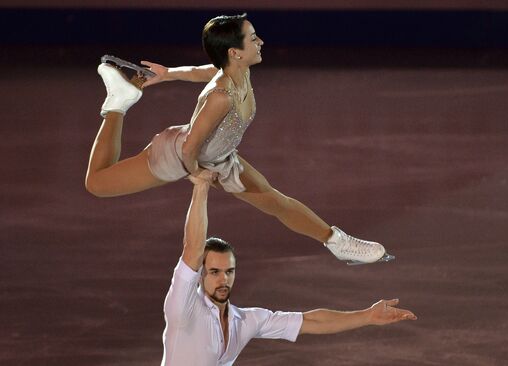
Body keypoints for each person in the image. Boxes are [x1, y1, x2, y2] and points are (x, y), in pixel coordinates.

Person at [85, 13, 394, 265]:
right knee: (97, 184)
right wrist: (198, 176)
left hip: (220, 158)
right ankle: (117, 104)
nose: (260, 42)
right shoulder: (220, 97)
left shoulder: (237, 72)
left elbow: (206, 70)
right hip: (178, 156)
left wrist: (170, 73)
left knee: (274, 200)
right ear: (235, 52)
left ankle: (338, 242)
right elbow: (191, 146)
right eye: (253, 38)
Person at [162, 170, 416, 366]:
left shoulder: (245, 320)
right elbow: (192, 248)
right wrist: (201, 187)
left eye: (229, 271)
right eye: (214, 272)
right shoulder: (183, 308)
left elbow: (310, 321)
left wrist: (366, 316)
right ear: (200, 275)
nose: (223, 279)